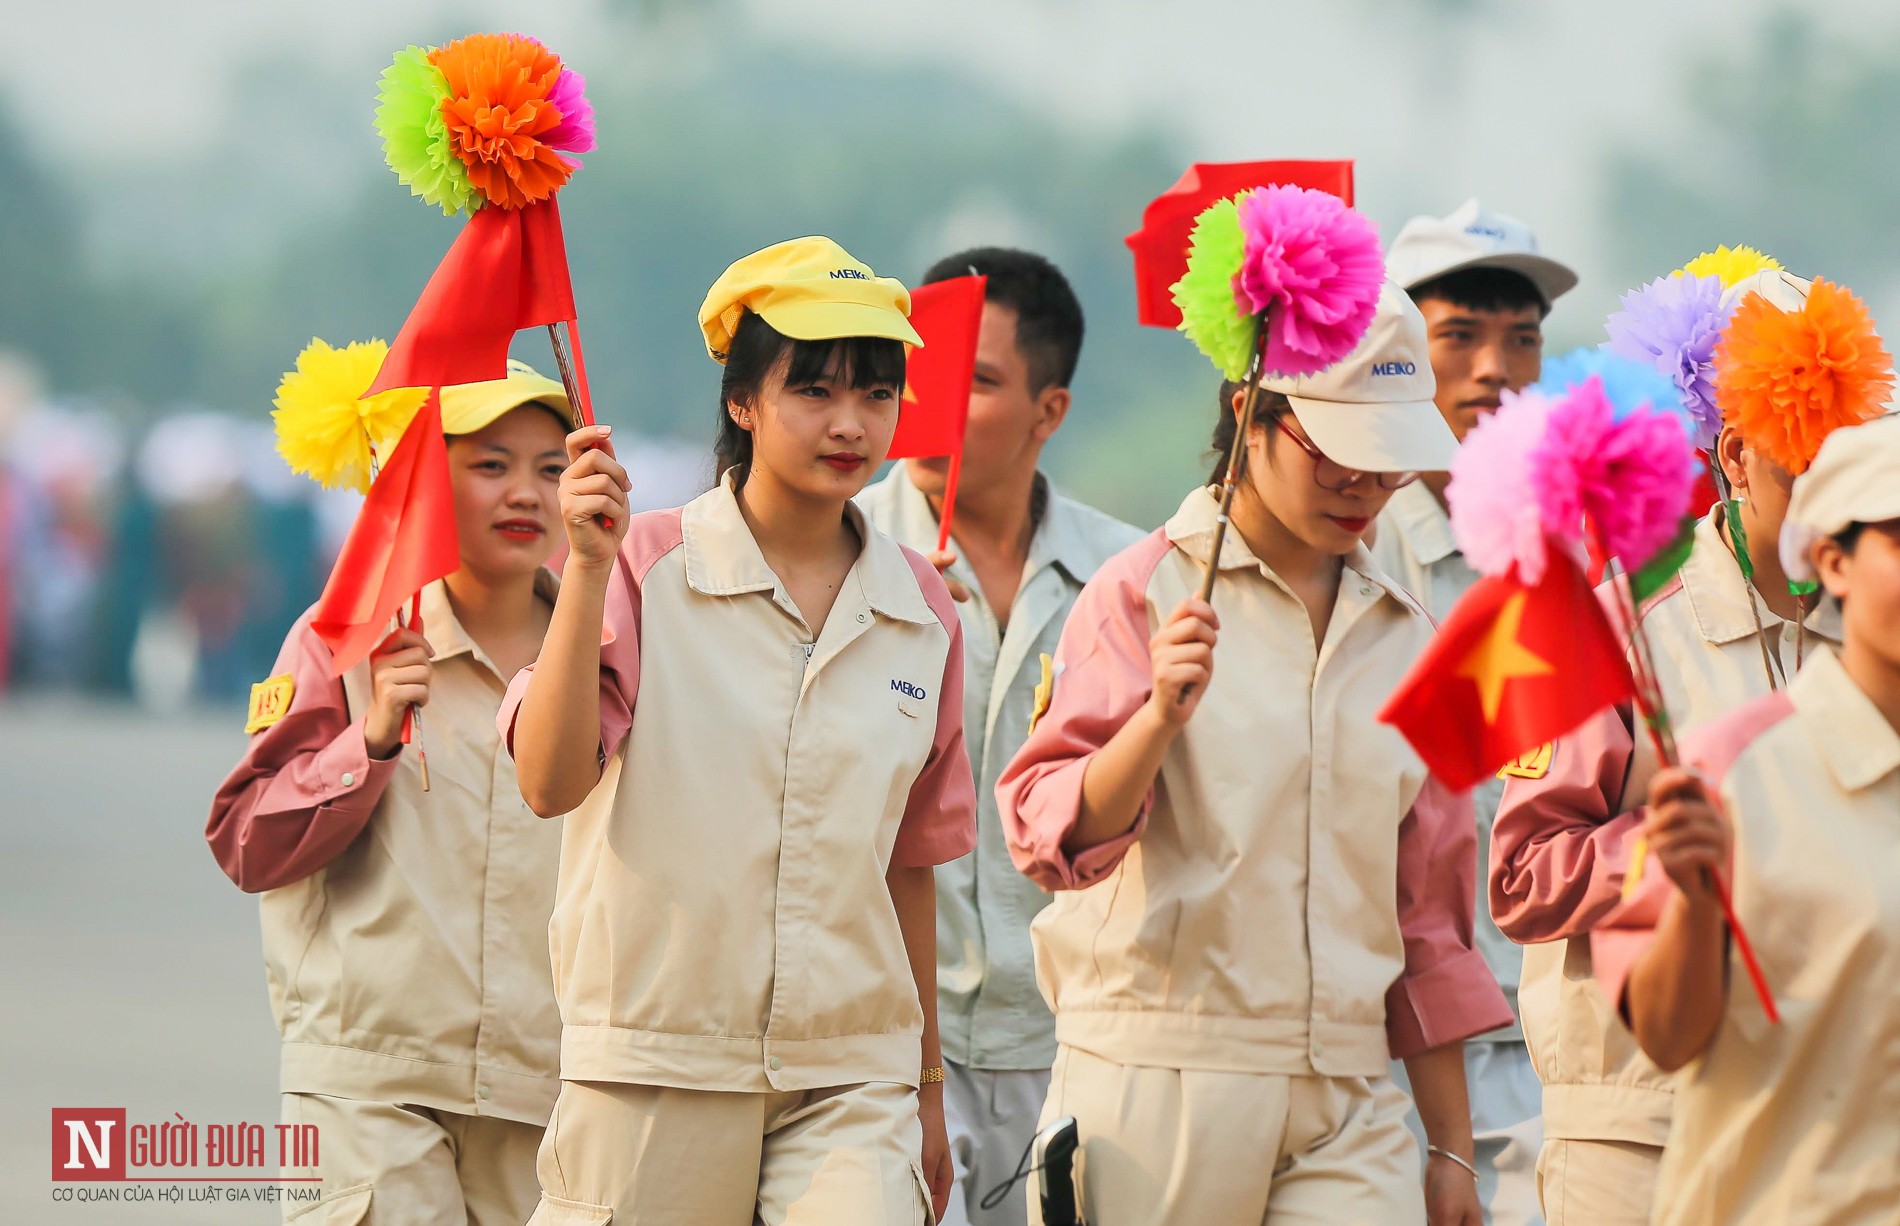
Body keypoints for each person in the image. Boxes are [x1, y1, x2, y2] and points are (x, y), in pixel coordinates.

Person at [998, 282, 1510, 1226]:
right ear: (1251, 418)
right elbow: (1050, 837)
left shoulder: (1411, 639)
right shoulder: (1143, 595)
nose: (1364, 488)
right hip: (1160, 1071)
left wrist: (1450, 1147)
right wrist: (1154, 719)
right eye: (1337, 457)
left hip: (1352, 1091)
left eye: (1387, 464)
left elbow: (1428, 922)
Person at [502, 237, 977, 1226]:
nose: (849, 422)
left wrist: (927, 1083)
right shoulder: (642, 563)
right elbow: (548, 782)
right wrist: (583, 570)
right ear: (742, 401)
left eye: (876, 394)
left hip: (850, 1073)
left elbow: (911, 860)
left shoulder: (923, 606)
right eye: (813, 390)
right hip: (654, 1056)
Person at [1488, 270, 1865, 1225]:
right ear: (1736, 456)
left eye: (1854, 482)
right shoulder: (1608, 626)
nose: (1833, 516)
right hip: (1637, 1117)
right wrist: (1681, 848)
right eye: (1802, 472)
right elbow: (1522, 876)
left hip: (1819, 1113)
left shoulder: (1869, 644)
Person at [205, 362, 575, 1225]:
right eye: (491, 464)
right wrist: (366, 739)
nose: (526, 492)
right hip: (370, 1085)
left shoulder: (602, 653)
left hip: (548, 1093)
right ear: (424, 479)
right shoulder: (344, 639)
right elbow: (245, 841)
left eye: (550, 468)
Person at [857, 247, 1142, 1226]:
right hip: (875, 1043)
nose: (928, 405)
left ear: (1049, 411)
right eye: (918, 372)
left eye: (975, 381)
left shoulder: (1132, 578)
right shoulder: (839, 555)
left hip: (1074, 1039)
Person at [1592, 411, 1900, 1225]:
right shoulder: (1730, 765)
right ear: (1832, 559)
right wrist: (1693, 903)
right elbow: (1663, 1036)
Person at [1373, 199, 1578, 1226]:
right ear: (1400, 348)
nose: (1494, 368)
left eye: (1522, 337)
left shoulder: (1577, 557)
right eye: (1458, 335)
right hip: (1394, 1038)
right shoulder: (1357, 559)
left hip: (1552, 1023)